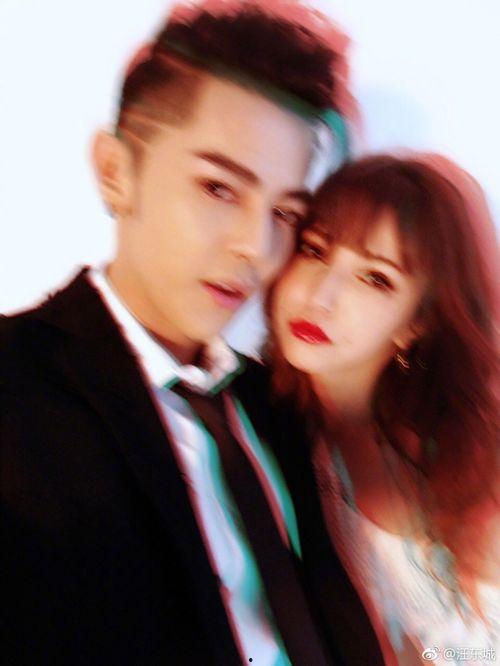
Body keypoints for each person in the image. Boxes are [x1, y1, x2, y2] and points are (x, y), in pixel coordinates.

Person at [0, 1, 385, 664]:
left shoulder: (279, 403)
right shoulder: (16, 384)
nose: (255, 248)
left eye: (285, 214)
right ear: (116, 171)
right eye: (218, 189)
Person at [267, 153, 500, 663]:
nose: (321, 297)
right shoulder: (248, 426)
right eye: (315, 251)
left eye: (375, 278)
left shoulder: (469, 454)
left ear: (417, 323)